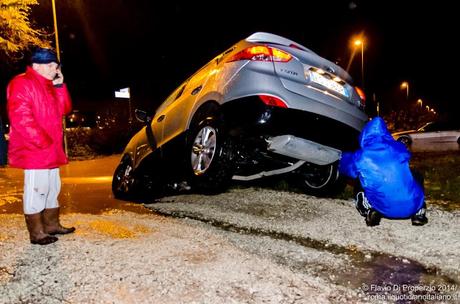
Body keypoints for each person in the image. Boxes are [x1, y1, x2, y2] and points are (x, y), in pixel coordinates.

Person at [7, 47, 75, 245]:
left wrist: (60, 87)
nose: (55, 69)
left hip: (50, 147)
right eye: (51, 65)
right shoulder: (22, 83)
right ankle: (37, 233)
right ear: (36, 66)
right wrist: (42, 142)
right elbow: (21, 118)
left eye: (56, 66)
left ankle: (52, 225)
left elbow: (65, 109)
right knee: (37, 189)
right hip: (35, 148)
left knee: (53, 187)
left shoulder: (49, 85)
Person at [339, 117, 428, 227]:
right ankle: (419, 214)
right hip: (412, 207)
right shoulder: (399, 148)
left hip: (382, 207)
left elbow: (344, 167)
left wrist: (342, 156)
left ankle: (368, 211)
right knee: (416, 174)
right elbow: (406, 153)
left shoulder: (361, 156)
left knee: (359, 179)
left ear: (364, 135)